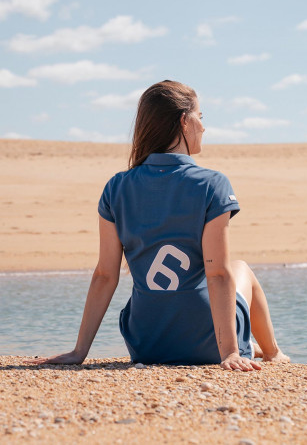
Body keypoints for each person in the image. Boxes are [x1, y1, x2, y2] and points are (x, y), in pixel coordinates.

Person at [27, 80, 289, 371]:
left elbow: (104, 275)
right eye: (200, 118)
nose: (203, 127)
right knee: (240, 268)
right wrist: (228, 353)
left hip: (146, 344)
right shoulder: (212, 184)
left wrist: (79, 351)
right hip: (208, 344)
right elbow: (217, 273)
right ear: (183, 121)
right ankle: (273, 352)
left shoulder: (116, 187)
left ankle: (250, 346)